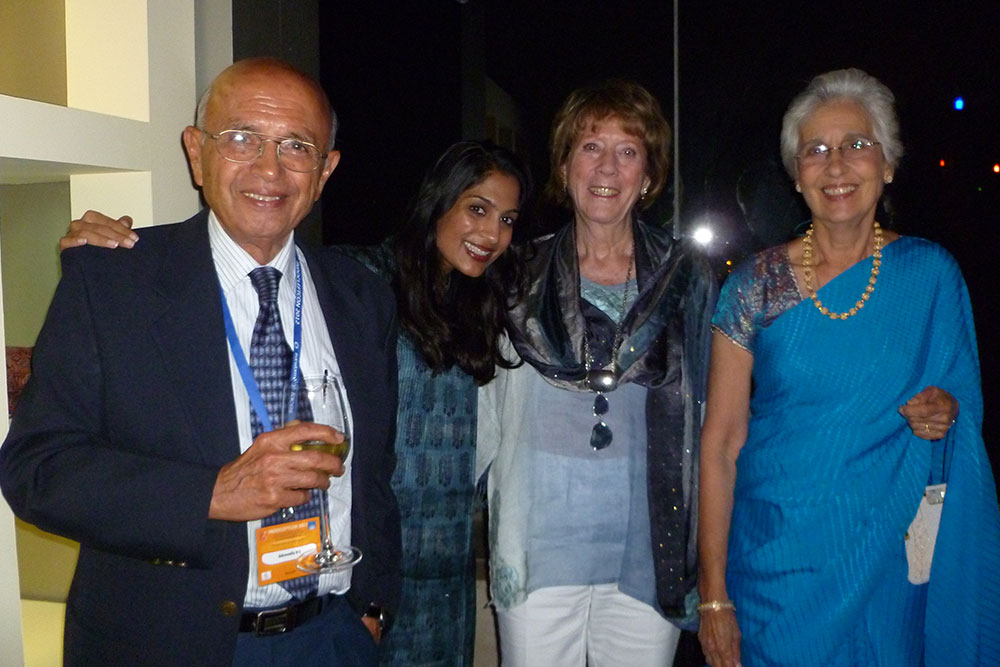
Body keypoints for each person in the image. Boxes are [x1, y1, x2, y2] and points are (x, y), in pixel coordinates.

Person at [58, 140, 531, 666]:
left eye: (507, 219)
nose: (491, 233)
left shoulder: (489, 307)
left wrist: (374, 602)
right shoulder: (364, 280)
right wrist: (103, 249)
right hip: (344, 551)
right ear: (439, 201)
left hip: (439, 553)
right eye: (477, 208)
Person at [0, 57, 401, 666]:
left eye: (297, 146)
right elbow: (36, 469)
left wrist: (373, 610)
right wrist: (211, 493)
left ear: (325, 171)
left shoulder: (362, 294)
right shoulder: (113, 283)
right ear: (196, 152)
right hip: (170, 644)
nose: (269, 169)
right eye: (242, 138)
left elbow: (375, 474)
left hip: (331, 637)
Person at [697, 68, 1000, 666]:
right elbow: (721, 443)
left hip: (886, 561)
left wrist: (947, 413)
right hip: (774, 563)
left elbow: (959, 403)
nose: (836, 165)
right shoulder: (755, 285)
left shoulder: (930, 276)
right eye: (816, 150)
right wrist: (713, 598)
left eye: (856, 145)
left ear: (887, 165)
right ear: (796, 175)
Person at [476, 80, 715, 665]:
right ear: (564, 163)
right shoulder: (514, 275)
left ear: (649, 174)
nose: (608, 166)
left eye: (628, 151)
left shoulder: (687, 279)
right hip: (537, 546)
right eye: (590, 147)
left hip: (647, 548)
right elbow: (481, 408)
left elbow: (713, 416)